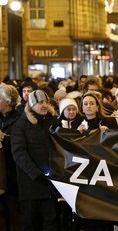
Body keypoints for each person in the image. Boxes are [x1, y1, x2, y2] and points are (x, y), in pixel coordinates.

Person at [11, 90, 58, 230]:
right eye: (39, 102)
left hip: (51, 182)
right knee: (30, 222)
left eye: (45, 102)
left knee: (51, 221)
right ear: (31, 105)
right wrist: (36, 174)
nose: (44, 105)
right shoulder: (21, 125)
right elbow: (19, 153)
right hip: (30, 184)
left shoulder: (53, 121)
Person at [0, 84, 22, 231]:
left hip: (13, 173)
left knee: (13, 210)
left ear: (7, 101)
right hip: (0, 173)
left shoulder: (21, 120)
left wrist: (5, 138)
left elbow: (21, 144)